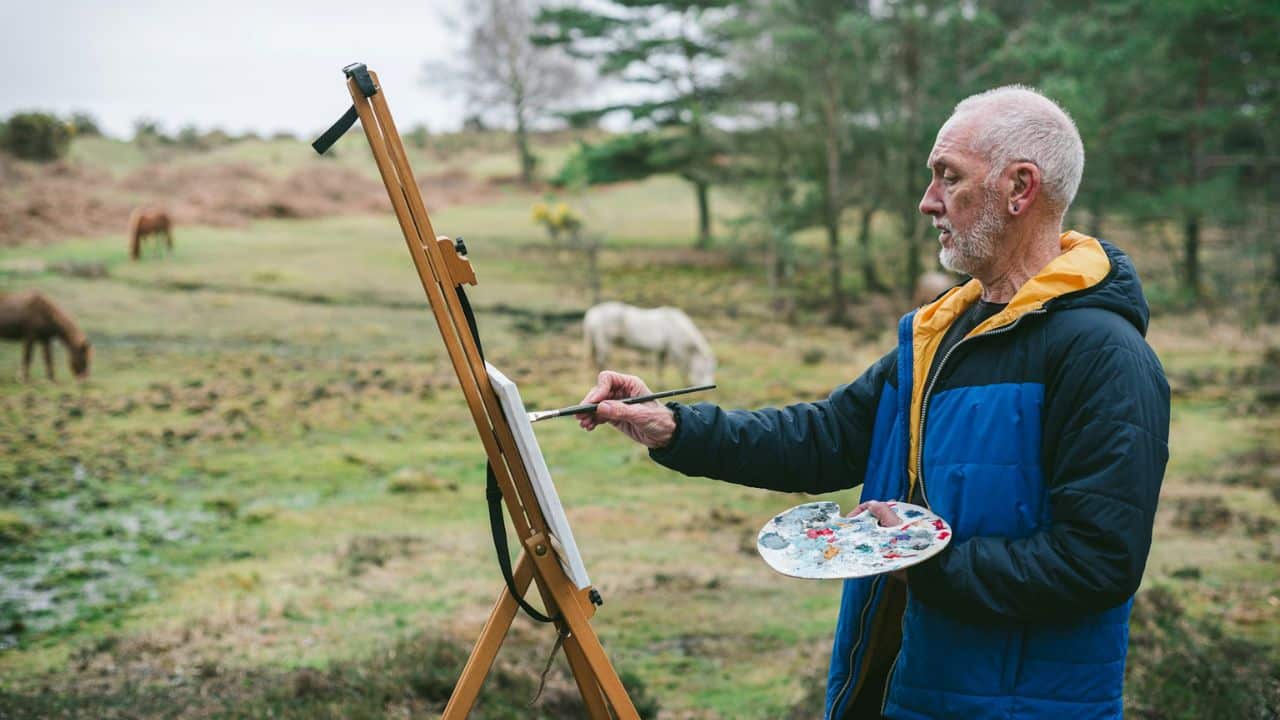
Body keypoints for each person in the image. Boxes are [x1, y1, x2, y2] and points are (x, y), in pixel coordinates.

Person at [576, 85, 1170, 720]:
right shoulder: (940, 334)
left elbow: (1097, 562)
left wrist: (916, 561)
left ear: (1020, 189)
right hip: (898, 690)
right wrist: (672, 427)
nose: (927, 201)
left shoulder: (1104, 357)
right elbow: (826, 438)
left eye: (949, 177)